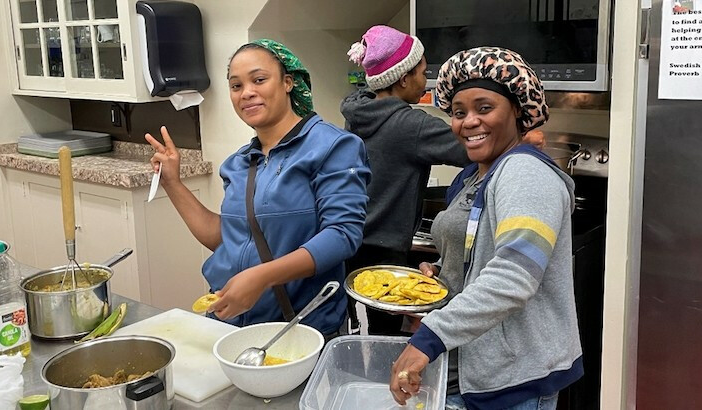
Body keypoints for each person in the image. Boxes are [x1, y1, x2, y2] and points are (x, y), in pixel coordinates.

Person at [390, 46, 583, 410]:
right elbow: (480, 260)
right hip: (471, 366)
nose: (468, 122)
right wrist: (441, 279)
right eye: (459, 112)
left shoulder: (525, 173)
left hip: (514, 379)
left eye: (484, 108)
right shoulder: (472, 178)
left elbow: (513, 277)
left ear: (517, 111)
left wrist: (428, 339)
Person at [144, 39, 371, 339]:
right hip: (229, 325)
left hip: (301, 330)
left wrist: (261, 278)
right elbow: (228, 238)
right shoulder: (237, 163)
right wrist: (173, 182)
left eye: (259, 80)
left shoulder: (333, 147)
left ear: (288, 82)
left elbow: (342, 235)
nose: (246, 92)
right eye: (236, 86)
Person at [342, 25, 470, 336]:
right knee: (385, 337)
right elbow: (472, 149)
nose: (426, 80)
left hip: (349, 239)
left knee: (359, 331)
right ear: (403, 78)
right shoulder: (411, 125)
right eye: (423, 72)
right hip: (385, 247)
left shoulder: (358, 110)